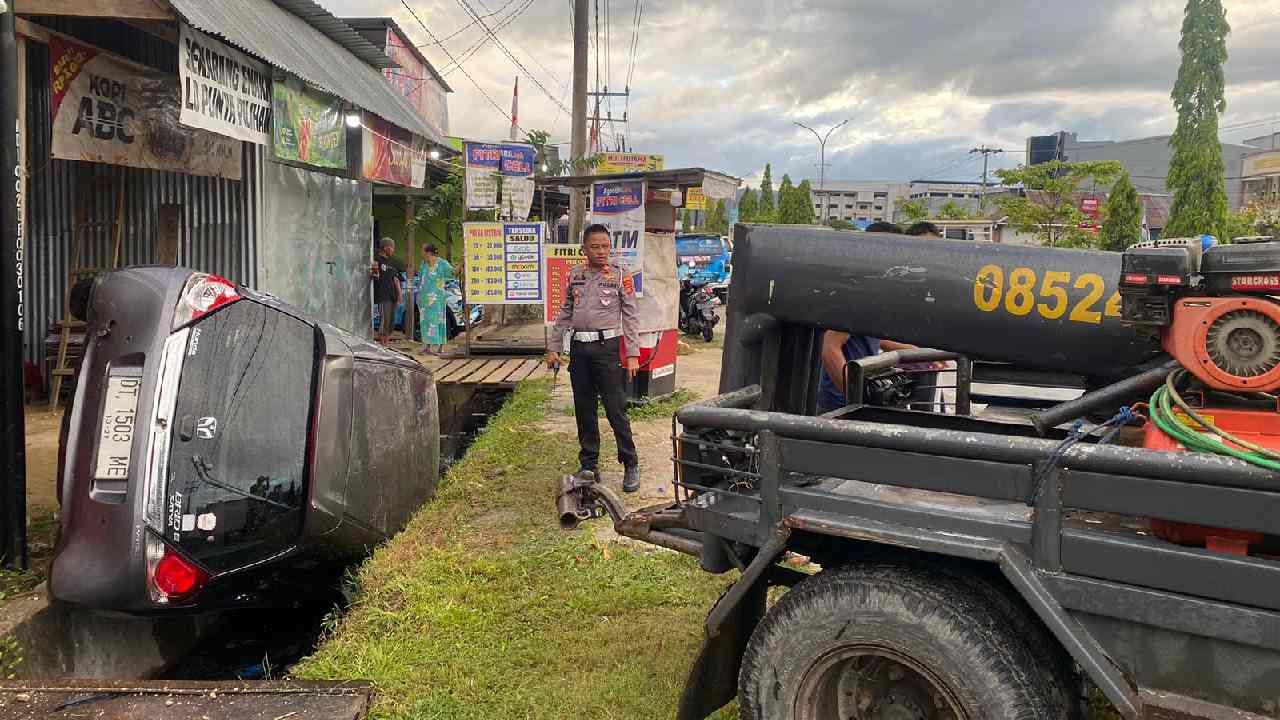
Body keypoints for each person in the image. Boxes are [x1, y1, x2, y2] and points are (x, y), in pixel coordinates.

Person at [547, 224, 642, 493]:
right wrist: (554, 346)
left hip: (607, 349)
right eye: (595, 247)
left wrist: (632, 353)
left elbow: (631, 315)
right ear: (584, 249)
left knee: (615, 408)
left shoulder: (620, 274)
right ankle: (589, 465)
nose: (601, 251)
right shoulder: (575, 274)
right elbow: (565, 311)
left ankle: (630, 462)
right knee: (584, 409)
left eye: (605, 246)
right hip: (580, 350)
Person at [417, 244, 454, 354]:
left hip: (437, 298)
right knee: (425, 322)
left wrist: (462, 263)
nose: (421, 253)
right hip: (424, 299)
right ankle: (427, 347)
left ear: (428, 252)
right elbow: (420, 281)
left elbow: (453, 273)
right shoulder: (423, 264)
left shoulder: (442, 263)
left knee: (439, 321)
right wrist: (418, 295)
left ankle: (440, 348)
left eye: (422, 250)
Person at [372, 237, 405, 344]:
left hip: (392, 295)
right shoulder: (376, 260)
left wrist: (399, 294)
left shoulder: (391, 262)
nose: (393, 250)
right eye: (392, 247)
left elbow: (396, 279)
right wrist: (375, 272)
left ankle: (386, 344)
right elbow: (375, 275)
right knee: (384, 321)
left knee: (391, 322)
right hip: (383, 295)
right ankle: (382, 345)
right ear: (386, 248)